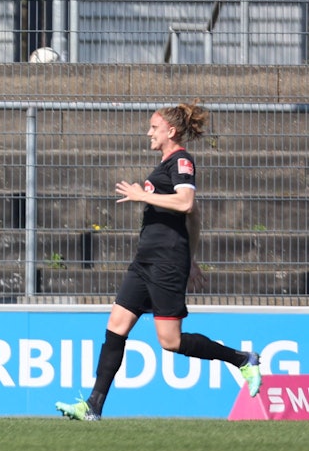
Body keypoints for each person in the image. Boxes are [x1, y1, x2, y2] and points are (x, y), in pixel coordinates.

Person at [55, 100, 262, 421]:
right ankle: (93, 406)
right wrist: (192, 257)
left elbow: (187, 202)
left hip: (167, 262)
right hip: (145, 261)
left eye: (154, 127)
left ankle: (242, 359)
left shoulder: (182, 162)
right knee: (116, 327)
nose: (149, 133)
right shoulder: (163, 165)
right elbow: (193, 217)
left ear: (171, 131)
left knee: (171, 342)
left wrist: (143, 197)